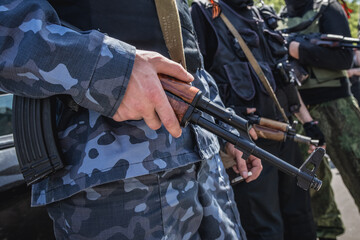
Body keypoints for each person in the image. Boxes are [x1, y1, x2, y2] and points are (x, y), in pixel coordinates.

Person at [0, 0, 263, 239]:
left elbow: (188, 54)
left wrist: (224, 127)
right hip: (109, 173)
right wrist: (110, 69)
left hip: (203, 159)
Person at [191, 0, 323, 239]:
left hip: (284, 134)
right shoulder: (204, 12)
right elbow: (197, 82)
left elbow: (283, 77)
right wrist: (228, 136)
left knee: (301, 218)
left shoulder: (262, 12)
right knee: (265, 228)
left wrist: (309, 123)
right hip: (247, 146)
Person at [280, 0, 360, 239]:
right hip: (300, 113)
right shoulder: (279, 18)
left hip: (338, 107)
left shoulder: (327, 8)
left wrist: (296, 49)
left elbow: (345, 59)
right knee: (315, 189)